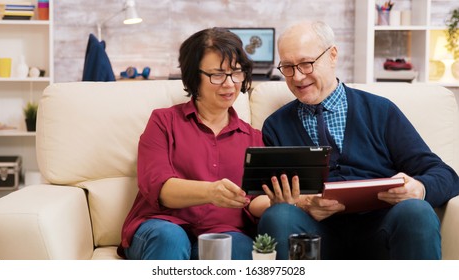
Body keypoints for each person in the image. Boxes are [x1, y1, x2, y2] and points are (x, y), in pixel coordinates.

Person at [249, 20, 459, 260]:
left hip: (380, 231)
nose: (297, 77)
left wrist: (419, 189)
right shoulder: (276, 126)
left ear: (332, 55)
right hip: (312, 234)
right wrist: (304, 203)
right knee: (278, 216)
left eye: (306, 64)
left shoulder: (380, 111)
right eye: (287, 67)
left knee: (416, 211)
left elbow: (445, 175)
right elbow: (260, 198)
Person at [117, 27, 264, 260]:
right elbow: (159, 188)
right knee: (170, 239)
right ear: (194, 77)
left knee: (237, 247)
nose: (229, 84)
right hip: (162, 226)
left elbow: (255, 202)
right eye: (217, 75)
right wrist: (210, 192)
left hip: (224, 232)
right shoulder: (163, 122)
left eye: (236, 72)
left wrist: (289, 201)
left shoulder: (253, 138)